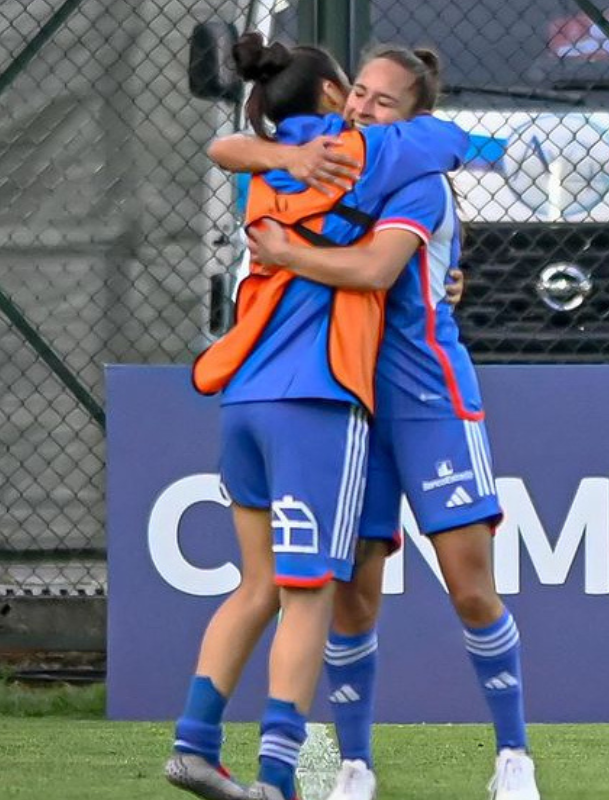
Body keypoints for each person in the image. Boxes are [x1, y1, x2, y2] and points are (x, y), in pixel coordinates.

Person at [165, 32, 468, 800]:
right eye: (356, 90)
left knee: (255, 583)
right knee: (310, 593)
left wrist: (278, 155)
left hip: (244, 395)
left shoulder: (263, 170)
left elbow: (225, 146)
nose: (366, 103)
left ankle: (195, 744)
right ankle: (277, 776)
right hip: (318, 400)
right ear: (335, 97)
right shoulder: (364, 153)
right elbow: (450, 138)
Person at [245, 45, 541, 800]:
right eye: (360, 94)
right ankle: (354, 768)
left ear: (413, 119)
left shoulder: (420, 184)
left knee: (470, 589)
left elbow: (376, 271)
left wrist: (286, 253)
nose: (363, 108)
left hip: (429, 400)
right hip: (346, 406)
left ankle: (514, 757)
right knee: (352, 597)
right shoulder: (333, 169)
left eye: (383, 101)